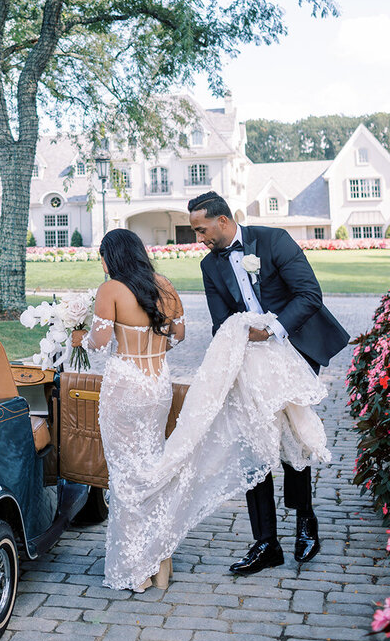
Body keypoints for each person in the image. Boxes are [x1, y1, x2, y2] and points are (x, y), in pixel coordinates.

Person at [188, 190, 350, 576]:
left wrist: (272, 330)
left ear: (222, 221)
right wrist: (239, 340)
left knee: (292, 438)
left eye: (201, 229)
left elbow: (310, 294)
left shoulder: (273, 240)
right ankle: (266, 543)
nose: (199, 238)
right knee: (253, 445)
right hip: (249, 362)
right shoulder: (210, 266)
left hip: (292, 350)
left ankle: (305, 520)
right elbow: (220, 323)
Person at [75, 228, 186, 591]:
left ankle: (136, 570)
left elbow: (100, 342)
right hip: (158, 387)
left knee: (125, 473)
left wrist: (78, 336)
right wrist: (154, 351)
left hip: (125, 387)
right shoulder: (164, 285)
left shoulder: (111, 289)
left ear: (112, 257)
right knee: (152, 464)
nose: (102, 263)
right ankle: (161, 560)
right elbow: (178, 335)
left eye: (103, 256)